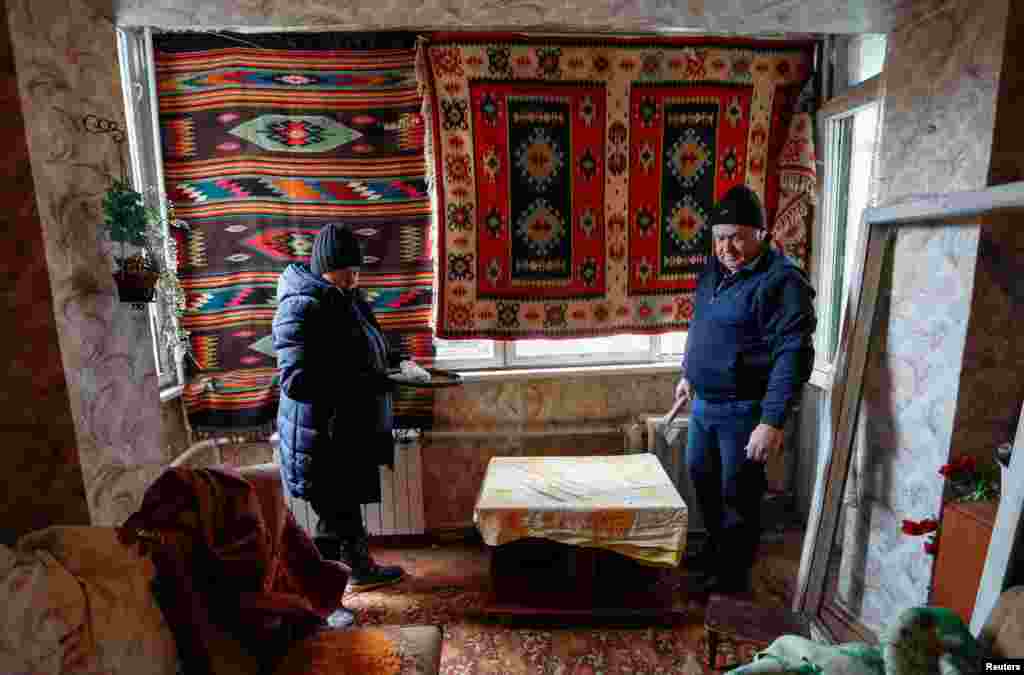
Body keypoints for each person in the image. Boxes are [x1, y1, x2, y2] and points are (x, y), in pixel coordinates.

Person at [676, 184, 816, 594]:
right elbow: (699, 326)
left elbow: (792, 355)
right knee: (702, 479)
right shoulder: (714, 273)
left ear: (761, 232)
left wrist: (771, 422)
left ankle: (732, 579)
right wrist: (689, 374)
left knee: (738, 496)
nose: (727, 247)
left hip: (744, 410)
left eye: (737, 236)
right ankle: (718, 553)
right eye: (720, 237)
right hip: (705, 405)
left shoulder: (782, 283)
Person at [273, 223, 416, 624]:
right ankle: (320, 603)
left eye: (357, 270)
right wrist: (364, 379)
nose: (354, 278)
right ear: (323, 267)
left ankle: (362, 571)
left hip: (342, 430)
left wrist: (397, 361)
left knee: (345, 507)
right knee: (331, 520)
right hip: (318, 434)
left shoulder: (345, 297)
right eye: (345, 271)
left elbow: (369, 346)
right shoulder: (301, 304)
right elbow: (295, 380)